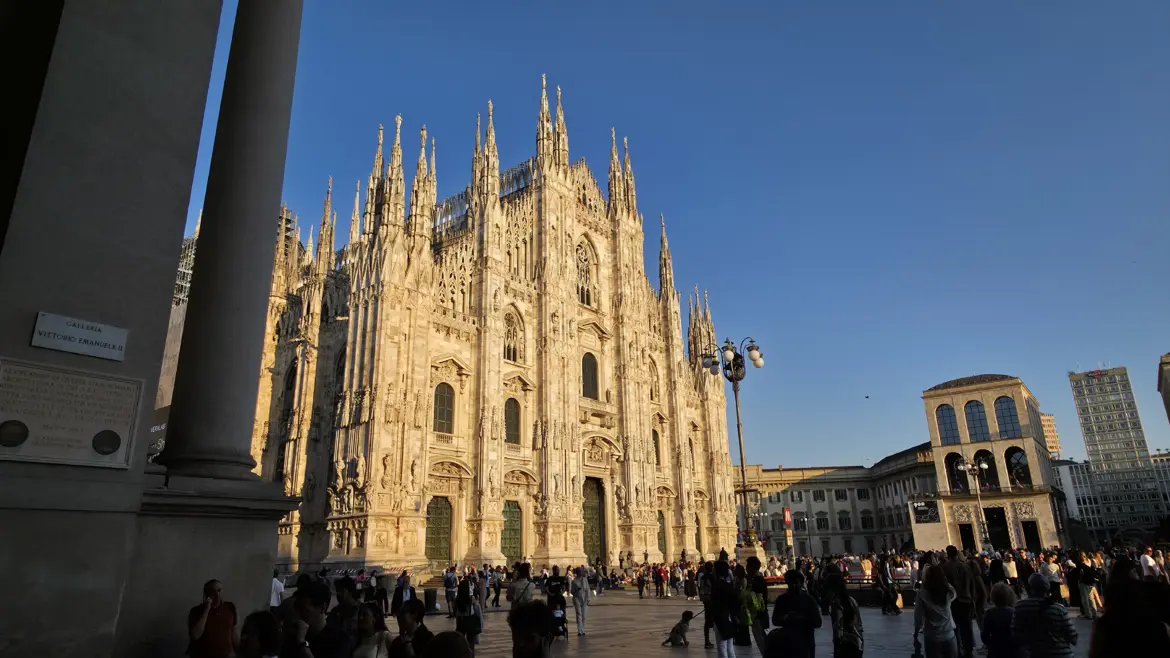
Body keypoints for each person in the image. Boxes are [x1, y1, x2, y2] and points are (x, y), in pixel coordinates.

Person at [1012, 572, 1076, 658]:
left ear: (1030, 588)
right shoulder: (1058, 608)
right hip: (1060, 654)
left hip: (1032, 654)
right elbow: (1073, 637)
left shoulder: (1020, 606)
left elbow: (1015, 634)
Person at [288, 581, 352, 658]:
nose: (297, 615)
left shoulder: (339, 640)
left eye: (304, 610)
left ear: (323, 608)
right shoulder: (295, 636)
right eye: (296, 609)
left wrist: (302, 644)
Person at [771, 569, 822, 658]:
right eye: (792, 582)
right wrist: (787, 618)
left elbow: (817, 622)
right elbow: (775, 620)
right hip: (790, 643)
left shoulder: (808, 600)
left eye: (796, 582)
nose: (795, 585)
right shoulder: (782, 600)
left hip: (804, 642)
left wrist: (799, 619)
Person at [914, 558, 957, 658]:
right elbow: (954, 593)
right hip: (949, 634)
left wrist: (916, 633)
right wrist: (945, 581)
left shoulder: (922, 594)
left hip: (931, 636)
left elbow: (918, 616)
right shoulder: (947, 592)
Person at [188, 579, 239, 658]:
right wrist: (206, 610)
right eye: (212, 592)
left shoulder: (230, 607)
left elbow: (234, 635)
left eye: (219, 590)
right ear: (206, 595)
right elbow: (195, 635)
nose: (217, 595)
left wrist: (240, 653)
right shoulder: (196, 611)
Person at [940, 546, 974, 658]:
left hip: (953, 601)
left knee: (955, 627)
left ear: (948, 554)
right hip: (966, 600)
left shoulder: (945, 568)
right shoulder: (966, 567)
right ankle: (969, 649)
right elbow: (971, 585)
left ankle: (957, 649)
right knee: (967, 626)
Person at [709, 561, 740, 658]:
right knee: (730, 647)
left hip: (720, 618)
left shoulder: (716, 586)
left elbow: (714, 604)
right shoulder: (729, 585)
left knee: (722, 646)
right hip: (729, 617)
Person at [826, 574, 863, 658]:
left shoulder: (837, 604)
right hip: (855, 641)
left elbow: (838, 627)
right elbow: (859, 624)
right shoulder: (851, 601)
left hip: (843, 643)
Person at [980, 583, 1015, 658]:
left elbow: (984, 635)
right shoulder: (1014, 612)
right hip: (1011, 649)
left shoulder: (989, 613)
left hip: (995, 650)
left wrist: (991, 643)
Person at [746, 556, 771, 654]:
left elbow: (758, 600)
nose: (746, 568)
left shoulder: (758, 581)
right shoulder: (757, 579)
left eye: (748, 566)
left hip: (759, 617)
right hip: (758, 616)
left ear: (753, 567)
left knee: (763, 643)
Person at [454, 579, 483, 656]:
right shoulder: (471, 599)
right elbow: (477, 611)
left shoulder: (457, 599)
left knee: (460, 644)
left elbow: (455, 613)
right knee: (471, 644)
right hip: (470, 621)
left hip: (461, 622)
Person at [570, 566, 592, 636]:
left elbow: (588, 589)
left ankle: (582, 629)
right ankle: (579, 630)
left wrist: (589, 598)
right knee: (579, 614)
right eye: (579, 571)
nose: (580, 573)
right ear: (577, 572)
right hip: (577, 598)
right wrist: (576, 589)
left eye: (581, 571)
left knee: (584, 615)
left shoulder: (585, 580)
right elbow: (572, 591)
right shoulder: (574, 581)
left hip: (585, 598)